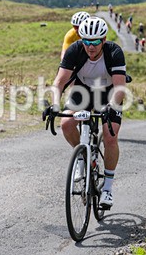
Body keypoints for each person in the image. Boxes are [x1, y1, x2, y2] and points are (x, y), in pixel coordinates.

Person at [46, 17, 126, 210]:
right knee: (66, 123)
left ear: (103, 40)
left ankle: (107, 188)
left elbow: (120, 88)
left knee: (110, 137)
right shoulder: (75, 50)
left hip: (109, 94)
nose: (91, 46)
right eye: (86, 41)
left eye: (95, 41)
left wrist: (111, 106)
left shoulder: (114, 52)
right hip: (83, 91)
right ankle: (82, 156)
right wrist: (55, 105)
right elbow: (59, 82)